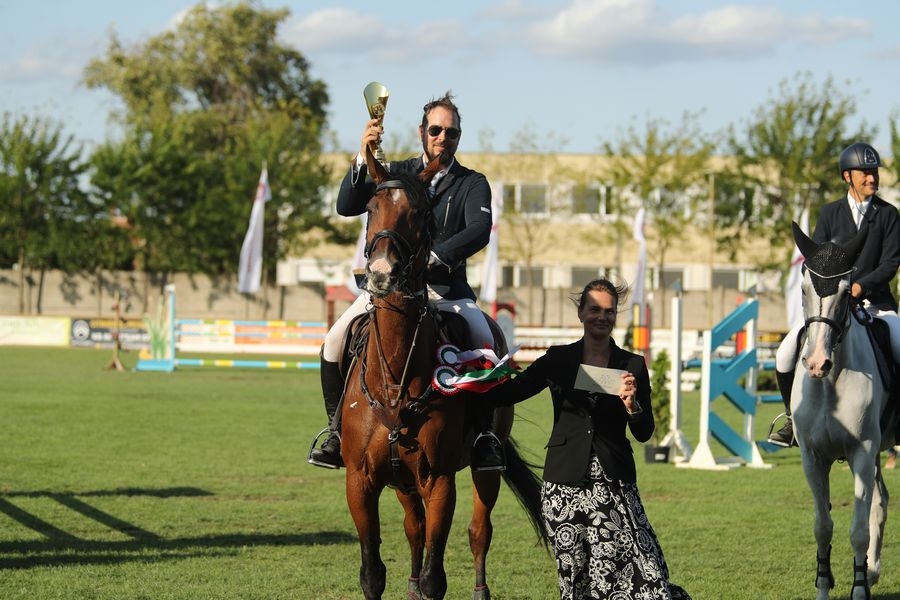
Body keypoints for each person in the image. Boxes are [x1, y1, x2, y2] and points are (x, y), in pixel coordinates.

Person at [308, 91, 504, 471]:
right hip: (388, 290)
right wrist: (362, 155)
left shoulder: (471, 183)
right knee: (333, 341)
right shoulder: (395, 172)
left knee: (484, 340)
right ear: (421, 132)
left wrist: (436, 257)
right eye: (436, 130)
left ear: (458, 137)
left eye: (451, 132)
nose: (443, 138)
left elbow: (480, 228)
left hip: (445, 290)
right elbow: (346, 206)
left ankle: (484, 436)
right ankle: (335, 432)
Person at [480, 279, 691, 600]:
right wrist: (464, 384)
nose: (602, 317)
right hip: (563, 486)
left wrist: (632, 406)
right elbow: (512, 392)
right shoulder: (558, 359)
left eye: (609, 311)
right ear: (580, 313)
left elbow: (644, 432)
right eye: (594, 309)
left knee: (642, 570)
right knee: (574, 576)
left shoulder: (632, 365)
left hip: (614, 484)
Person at [770, 142, 900, 447]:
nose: (872, 177)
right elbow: (816, 260)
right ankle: (791, 419)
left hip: (876, 305)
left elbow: (891, 262)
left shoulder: (888, 214)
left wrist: (860, 287)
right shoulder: (830, 213)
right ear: (847, 176)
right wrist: (835, 291)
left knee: (899, 344)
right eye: (864, 172)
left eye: (874, 171)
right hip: (830, 307)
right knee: (784, 352)